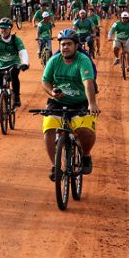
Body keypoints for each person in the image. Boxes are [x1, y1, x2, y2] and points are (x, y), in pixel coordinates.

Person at [41, 29, 100, 180]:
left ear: (76, 45)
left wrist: (92, 103)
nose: (65, 47)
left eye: (68, 44)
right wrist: (52, 92)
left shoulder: (83, 60)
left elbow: (88, 83)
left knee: (85, 131)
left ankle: (85, 155)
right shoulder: (54, 60)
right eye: (62, 45)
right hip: (57, 102)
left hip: (80, 102)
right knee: (48, 130)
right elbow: (45, 81)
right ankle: (56, 166)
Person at [0, 17, 29, 108]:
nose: (3, 30)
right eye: (1, 28)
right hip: (0, 66)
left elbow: (22, 51)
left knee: (14, 74)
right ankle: (0, 109)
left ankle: (16, 97)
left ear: (10, 29)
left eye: (5, 28)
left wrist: (25, 63)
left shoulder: (15, 39)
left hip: (13, 63)